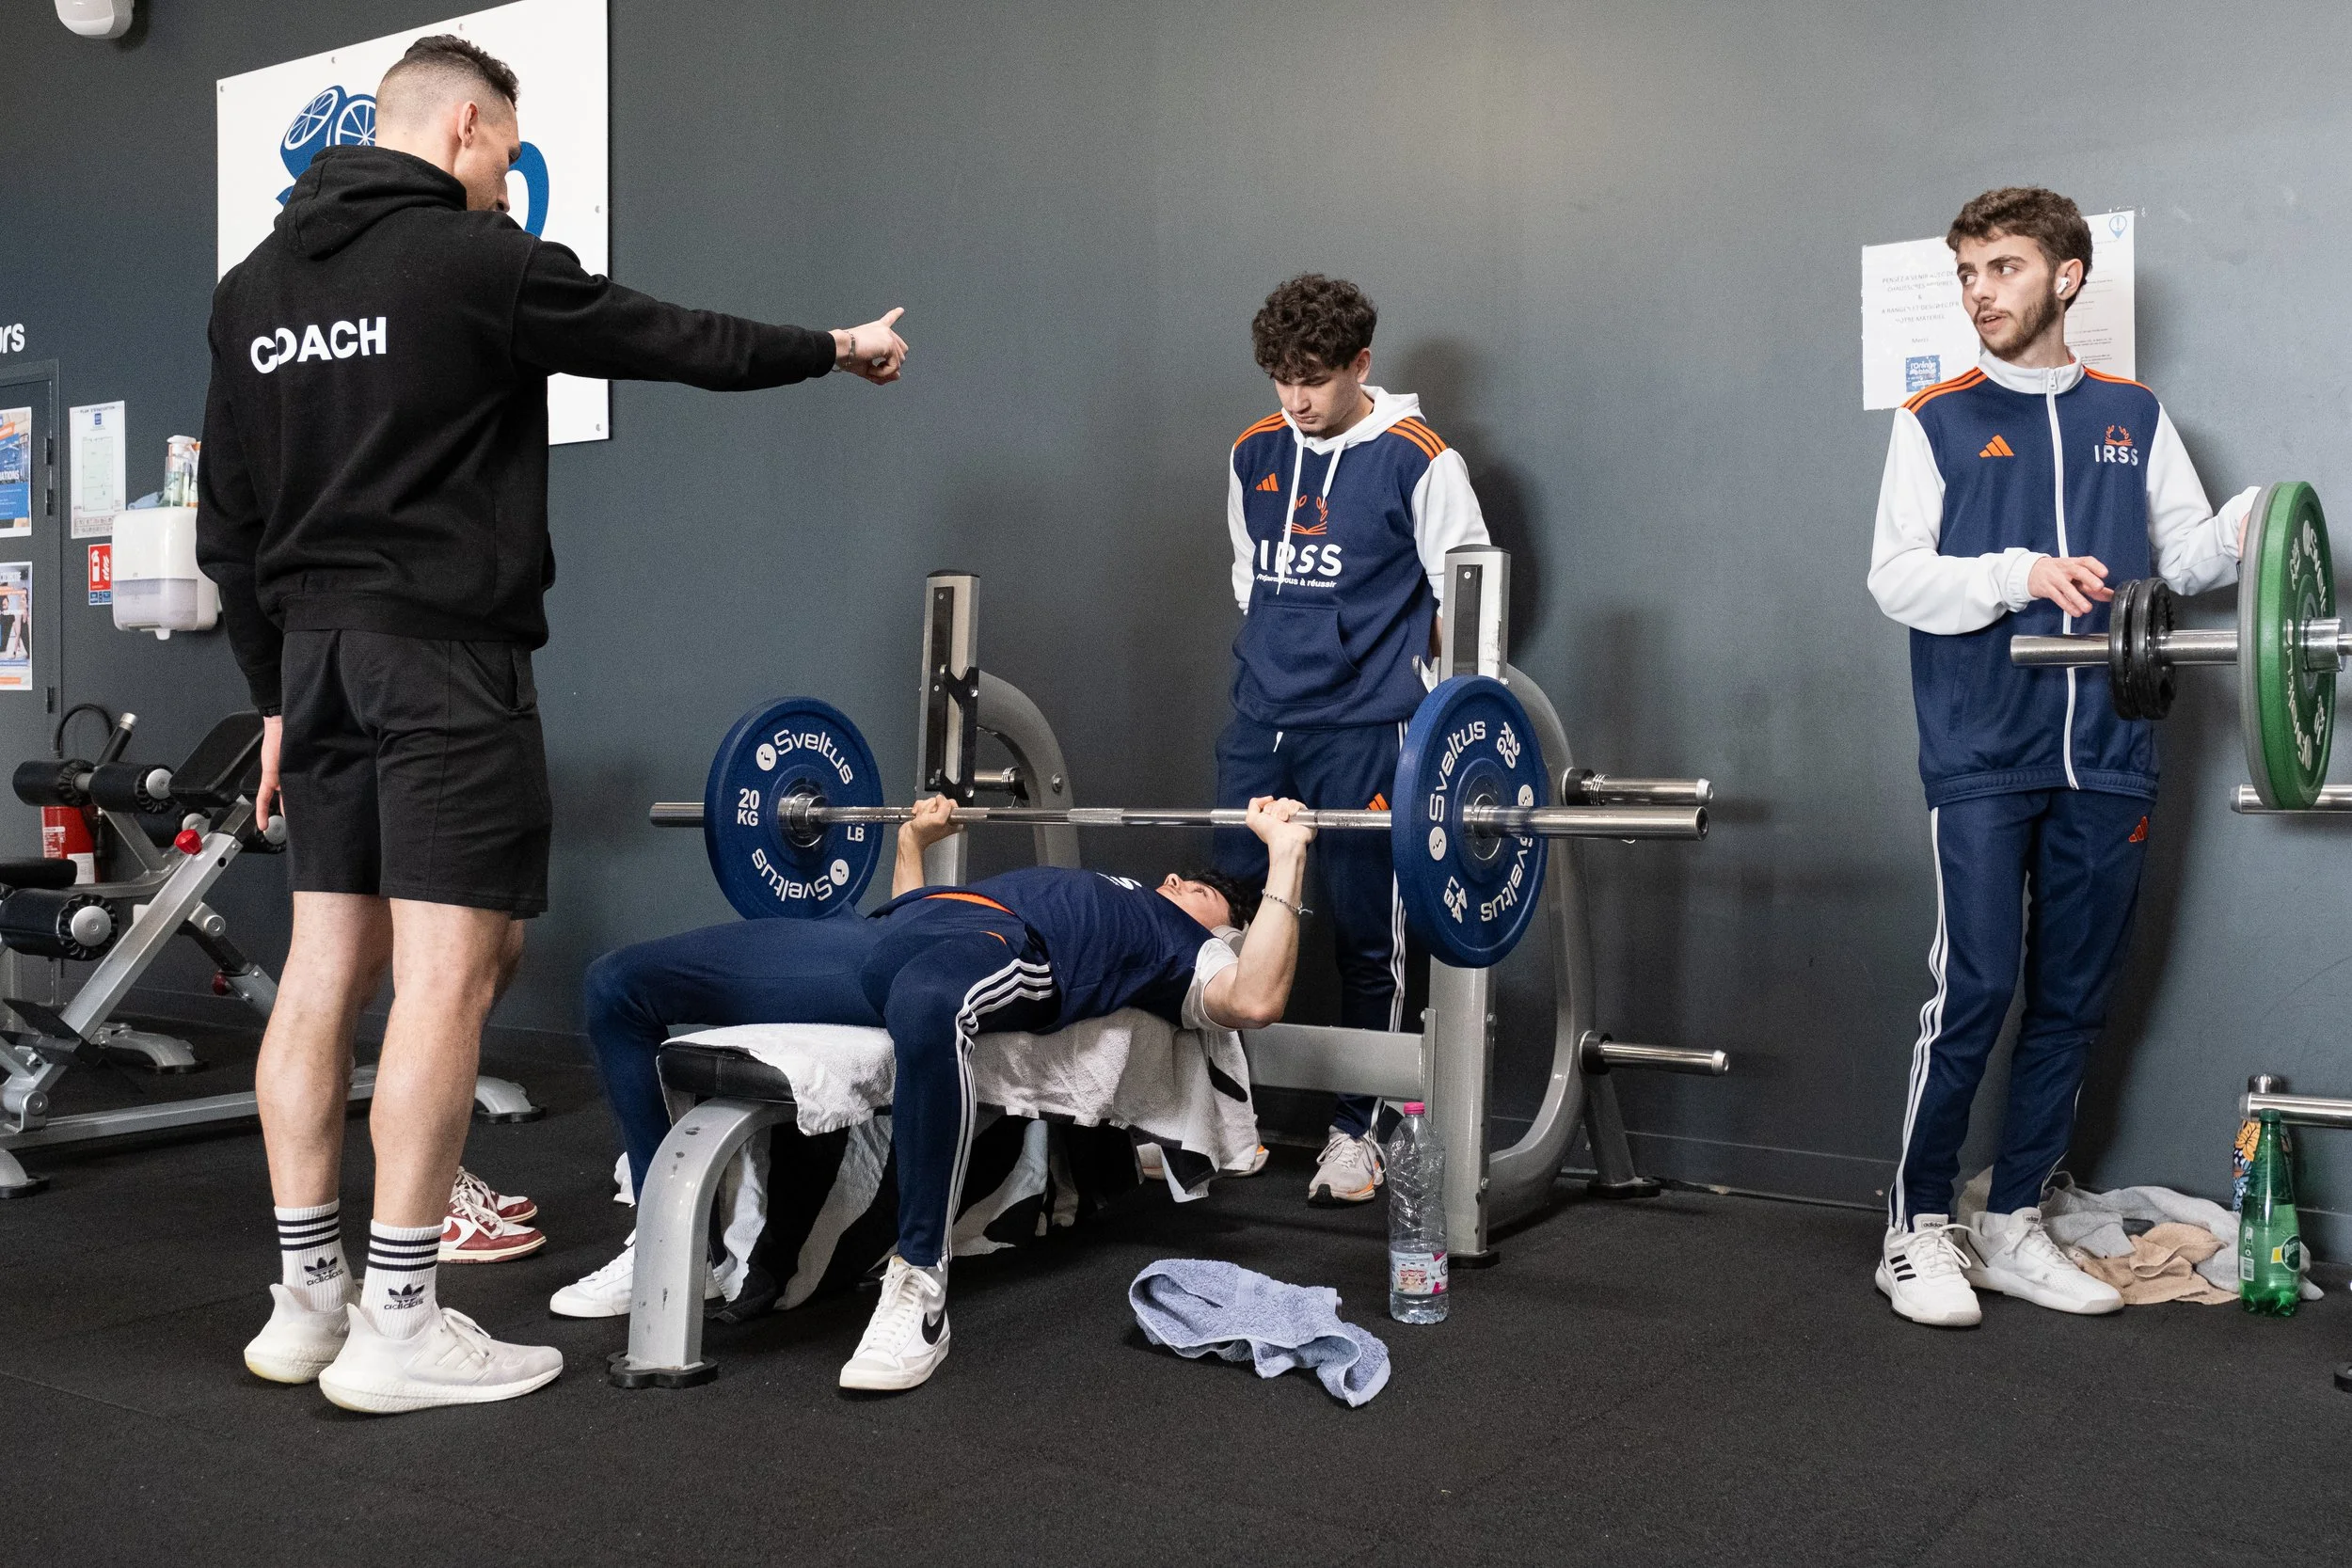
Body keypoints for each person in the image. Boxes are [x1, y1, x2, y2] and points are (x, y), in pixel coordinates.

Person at [199, 34, 912, 1415]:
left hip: (317, 662)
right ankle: (401, 1316)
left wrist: (269, 691)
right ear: (466, 125)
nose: (506, 178)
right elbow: (671, 337)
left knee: (324, 963)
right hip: (444, 661)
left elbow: (229, 520)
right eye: (505, 153)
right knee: (449, 978)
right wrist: (836, 348)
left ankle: (309, 1302)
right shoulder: (474, 262)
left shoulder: (251, 291)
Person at [559, 794, 1312, 1392]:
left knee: (927, 1003)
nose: (1179, 881)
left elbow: (1254, 1000)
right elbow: (914, 919)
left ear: (1234, 929)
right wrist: (913, 845)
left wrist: (1286, 856)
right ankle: (669, 1243)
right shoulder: (1134, 895)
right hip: (882, 935)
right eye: (1184, 878)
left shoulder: (1184, 947)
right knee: (616, 983)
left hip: (1004, 944)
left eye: (1206, 890)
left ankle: (919, 1285)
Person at [1866, 186, 2254, 1328]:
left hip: (2114, 750)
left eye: (2001, 268)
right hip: (1986, 745)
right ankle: (1915, 1225)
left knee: (2074, 1000)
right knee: (1975, 987)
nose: (1979, 291)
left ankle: (2011, 1218)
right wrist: (2015, 571)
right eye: (1968, 272)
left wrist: (2256, 525)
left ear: (2066, 276)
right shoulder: (1932, 415)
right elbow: (1896, 577)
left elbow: (2181, 555)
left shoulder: (2132, 411)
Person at [1216, 274, 1488, 1205]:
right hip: (1263, 720)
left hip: (1368, 727)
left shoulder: (1421, 458)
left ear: (1360, 365)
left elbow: (1467, 607)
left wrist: (1420, 711)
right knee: (1221, 911)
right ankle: (1214, 1117)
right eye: (1280, 379)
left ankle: (1353, 1130)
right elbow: (1251, 577)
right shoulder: (1254, 448)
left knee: (1368, 937)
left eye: (1315, 380)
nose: (1295, 400)